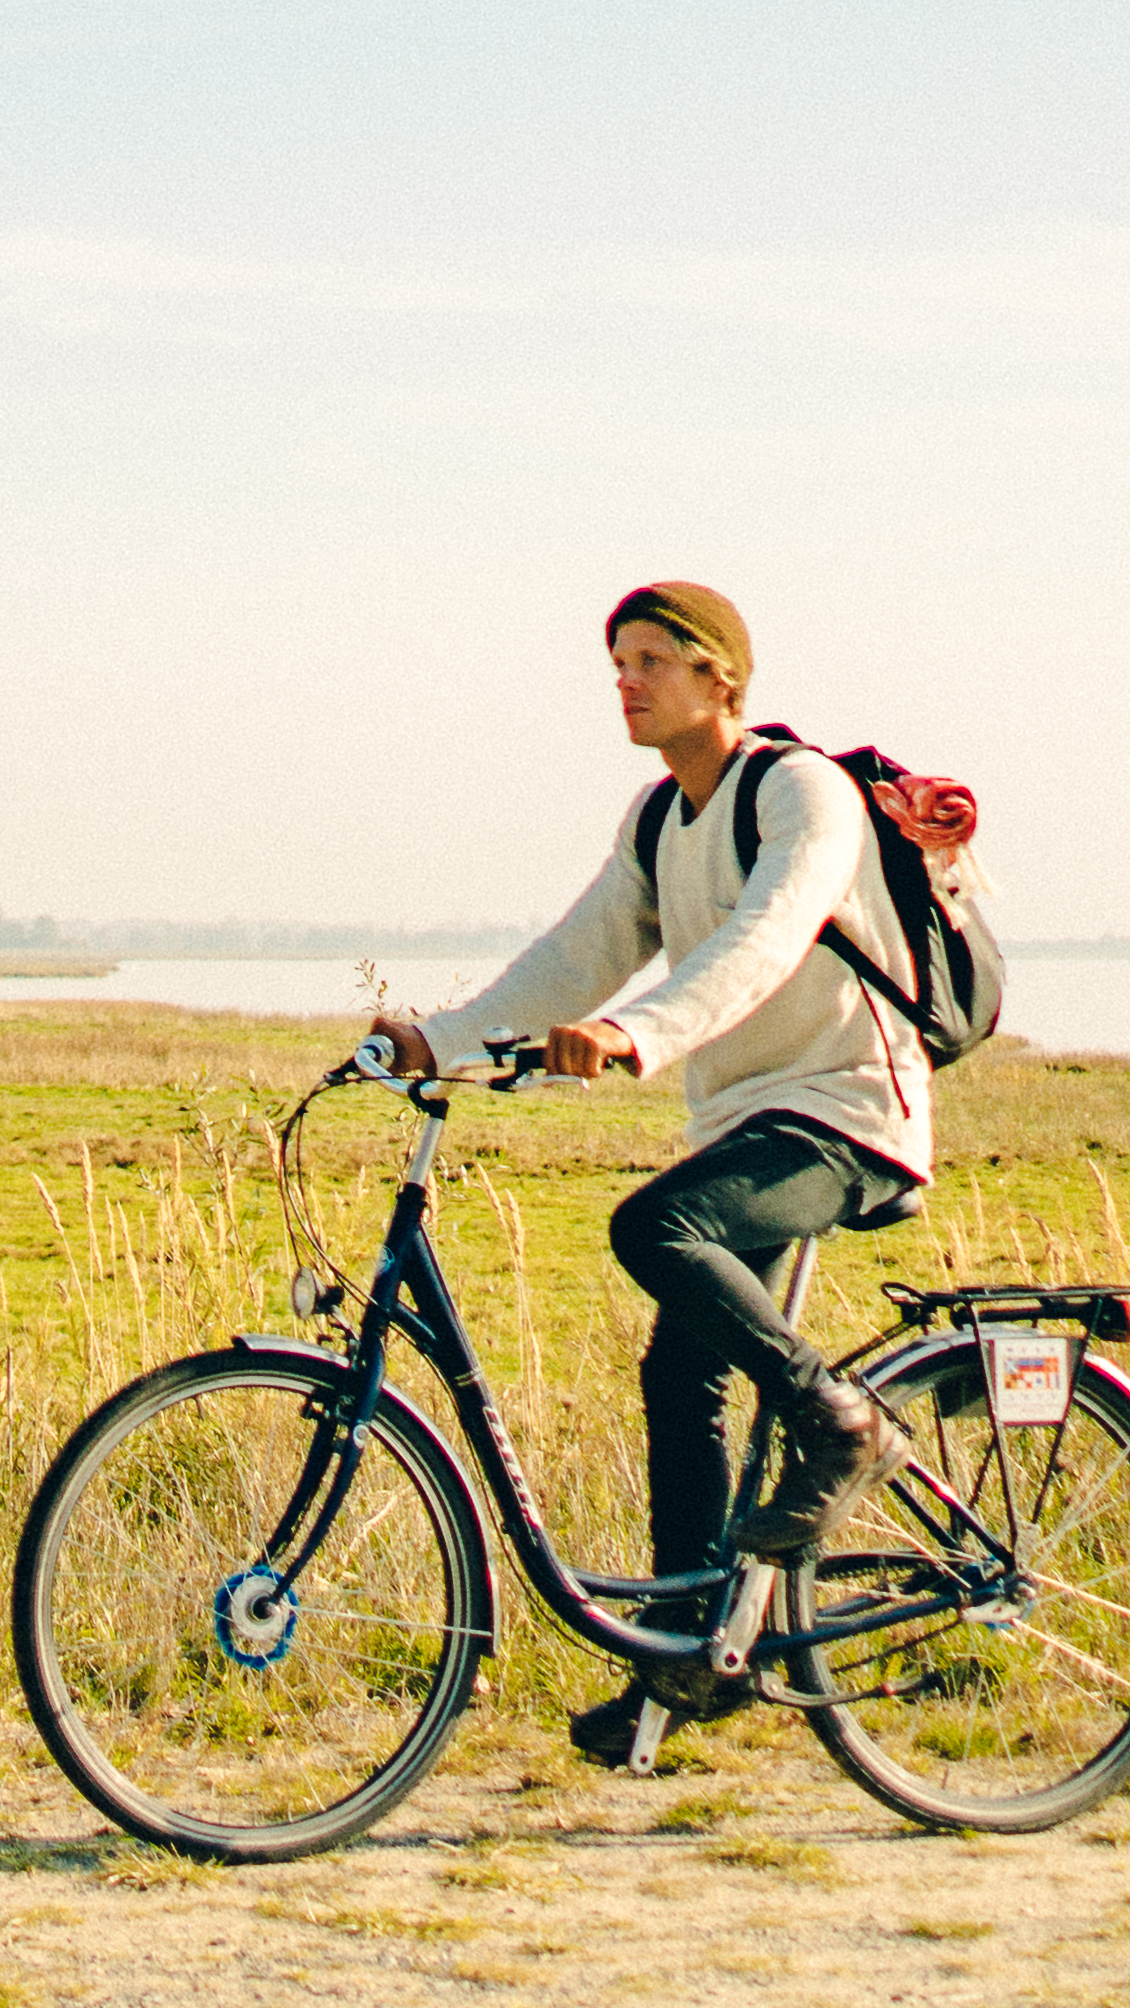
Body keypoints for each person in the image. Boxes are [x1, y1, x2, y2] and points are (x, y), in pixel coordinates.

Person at [367, 579, 939, 1772]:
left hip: (845, 1108)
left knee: (654, 1225)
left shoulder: (799, 791)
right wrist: (447, 1035)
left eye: (651, 658)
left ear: (720, 675)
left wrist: (642, 1033)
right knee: (679, 1369)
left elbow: (769, 934)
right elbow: (577, 953)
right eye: (616, 661)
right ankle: (687, 1655)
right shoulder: (658, 818)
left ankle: (843, 1423)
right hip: (744, 1119)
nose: (625, 680)